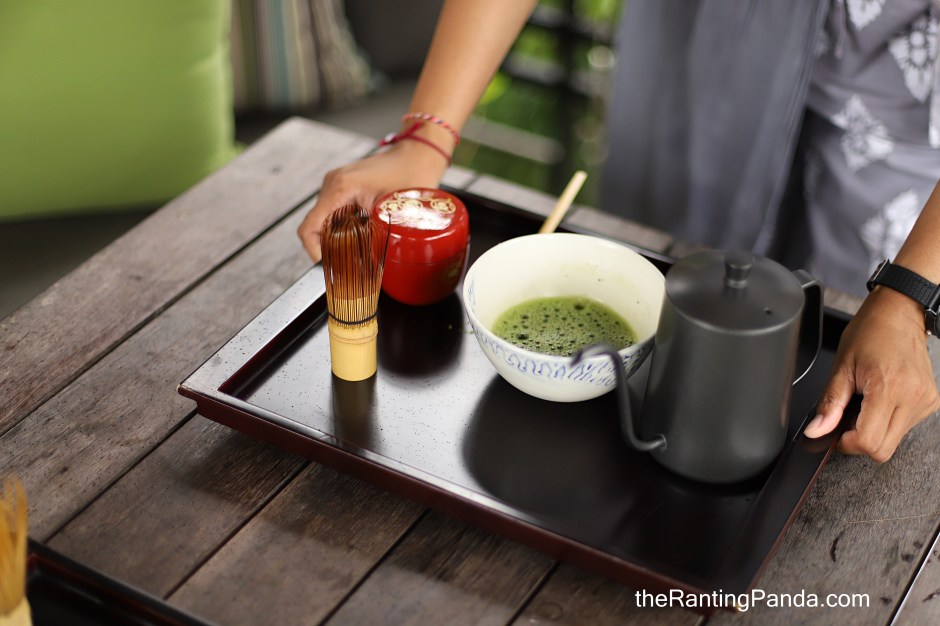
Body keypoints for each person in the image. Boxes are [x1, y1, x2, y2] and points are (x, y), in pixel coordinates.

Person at [297, 0, 940, 462]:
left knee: (839, 362)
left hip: (907, 119)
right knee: (673, 290)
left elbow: (896, 306)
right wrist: (424, 139)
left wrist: (910, 295)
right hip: (705, 53)